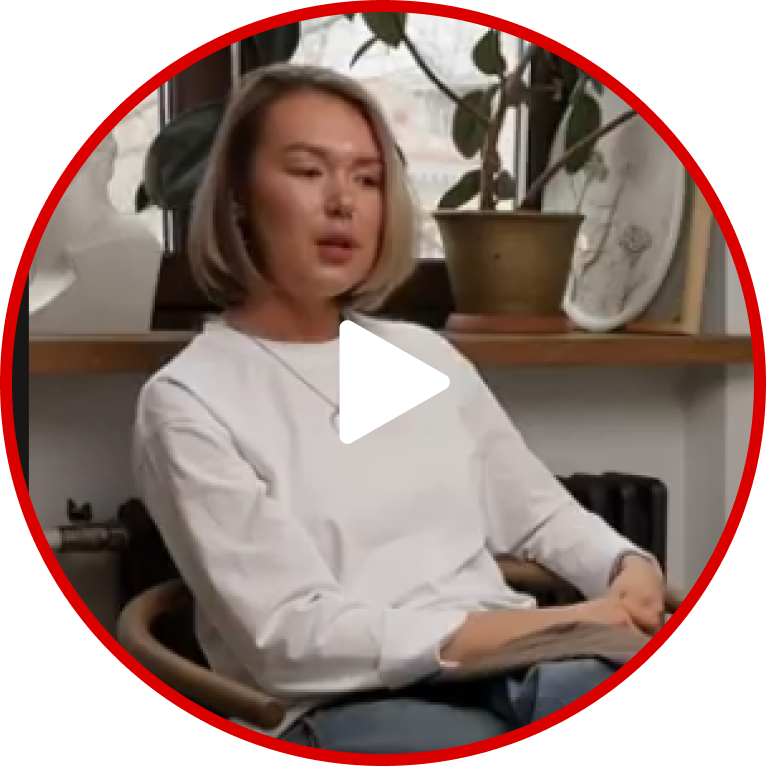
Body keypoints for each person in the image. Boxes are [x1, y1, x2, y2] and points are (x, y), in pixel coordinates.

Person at [132, 64, 665, 753]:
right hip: (357, 699)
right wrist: (539, 627)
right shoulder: (190, 400)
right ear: (237, 198)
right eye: (308, 171)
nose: (342, 202)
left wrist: (628, 567)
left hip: (522, 666)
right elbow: (294, 639)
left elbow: (539, 514)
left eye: (367, 178)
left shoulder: (423, 355)